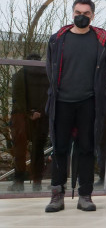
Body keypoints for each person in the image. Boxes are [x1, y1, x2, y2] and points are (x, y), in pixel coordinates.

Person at [44, 0, 106, 212]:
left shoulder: (102, 40)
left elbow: (105, 70)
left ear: (92, 15)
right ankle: (57, 196)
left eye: (85, 13)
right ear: (72, 13)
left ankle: (85, 195)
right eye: (77, 12)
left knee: (87, 149)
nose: (80, 16)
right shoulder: (58, 39)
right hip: (62, 102)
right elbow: (50, 69)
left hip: (89, 103)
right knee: (60, 148)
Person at [9, 53, 49, 192]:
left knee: (20, 150)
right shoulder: (47, 75)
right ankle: (37, 182)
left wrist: (28, 113)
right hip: (40, 117)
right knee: (38, 151)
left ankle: (19, 181)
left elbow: (17, 97)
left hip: (21, 116)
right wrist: (40, 112)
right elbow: (49, 96)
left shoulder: (20, 74)